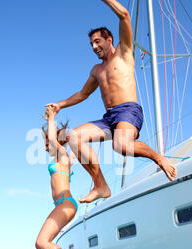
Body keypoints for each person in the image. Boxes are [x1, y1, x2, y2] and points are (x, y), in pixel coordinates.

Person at [45, 0, 177, 204]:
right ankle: (100, 185)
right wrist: (60, 104)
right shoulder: (96, 70)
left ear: (109, 39)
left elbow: (124, 15)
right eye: (91, 44)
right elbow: (82, 94)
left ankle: (158, 157)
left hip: (128, 111)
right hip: (109, 118)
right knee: (74, 137)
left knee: (121, 145)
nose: (94, 46)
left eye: (98, 41)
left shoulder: (124, 54)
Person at [35, 106, 85, 249]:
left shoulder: (62, 154)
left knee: (42, 241)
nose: (46, 147)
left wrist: (51, 117)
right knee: (41, 245)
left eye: (47, 144)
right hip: (62, 205)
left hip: (66, 203)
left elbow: (55, 139)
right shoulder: (65, 158)